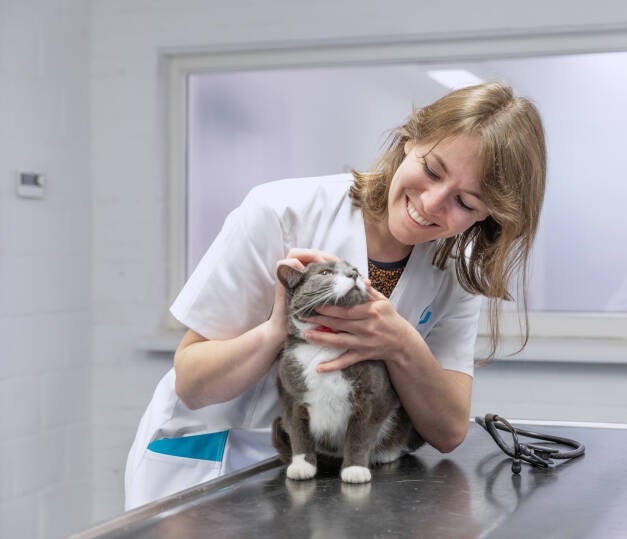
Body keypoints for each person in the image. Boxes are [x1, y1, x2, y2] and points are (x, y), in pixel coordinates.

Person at [124, 81, 547, 509]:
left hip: (321, 484)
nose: (433, 203)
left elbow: (449, 430)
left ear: (490, 217)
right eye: (433, 170)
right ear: (410, 140)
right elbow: (192, 384)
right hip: (213, 466)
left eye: (466, 202)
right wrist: (278, 329)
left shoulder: (455, 268)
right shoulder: (281, 212)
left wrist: (400, 342)